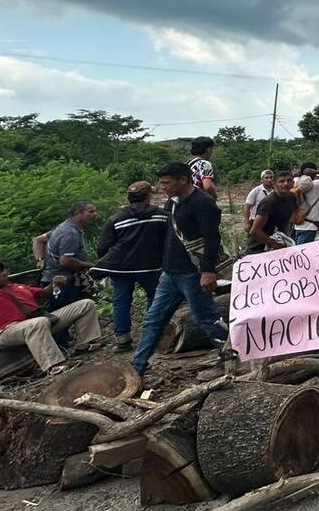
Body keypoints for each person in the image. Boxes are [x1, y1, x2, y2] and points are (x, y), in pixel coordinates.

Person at [131, 162, 228, 377]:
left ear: (182, 180)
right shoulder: (172, 203)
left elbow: (212, 239)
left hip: (192, 273)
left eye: (166, 183)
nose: (162, 187)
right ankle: (136, 366)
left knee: (207, 317)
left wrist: (207, 271)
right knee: (153, 319)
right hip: (170, 273)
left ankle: (229, 356)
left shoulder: (203, 203)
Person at [94, 181, 167, 351]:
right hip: (151, 268)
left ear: (129, 198)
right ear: (148, 196)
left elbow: (103, 247)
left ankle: (123, 340)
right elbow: (169, 241)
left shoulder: (116, 219)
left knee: (121, 303)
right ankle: (151, 335)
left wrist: (107, 263)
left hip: (121, 269)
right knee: (155, 300)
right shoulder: (162, 216)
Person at [0, 260, 100, 376]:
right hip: (4, 331)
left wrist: (54, 283)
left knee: (86, 304)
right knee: (37, 323)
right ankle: (54, 366)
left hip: (37, 322)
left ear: (6, 272)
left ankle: (87, 344)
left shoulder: (18, 287)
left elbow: (43, 293)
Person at [35, 202, 98, 311]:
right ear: (77, 213)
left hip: (54, 280)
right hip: (63, 282)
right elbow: (66, 261)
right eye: (90, 211)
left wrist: (40, 260)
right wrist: (91, 265)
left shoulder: (63, 228)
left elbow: (38, 240)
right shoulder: (70, 233)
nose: (95, 214)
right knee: (63, 318)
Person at [247, 172, 297, 252]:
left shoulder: (292, 197)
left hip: (280, 242)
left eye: (289, 180)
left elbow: (290, 220)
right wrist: (276, 245)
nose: (286, 184)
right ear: (274, 184)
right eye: (281, 181)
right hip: (259, 248)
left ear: (293, 183)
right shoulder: (268, 202)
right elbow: (255, 231)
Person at [291, 164, 319, 245]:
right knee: (304, 253)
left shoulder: (296, 183)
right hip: (309, 227)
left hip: (298, 223)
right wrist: (317, 171)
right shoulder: (315, 184)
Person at [187, 136, 218, 201]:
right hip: (199, 200)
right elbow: (207, 186)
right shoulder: (205, 164)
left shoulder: (187, 164)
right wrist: (214, 196)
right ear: (208, 150)